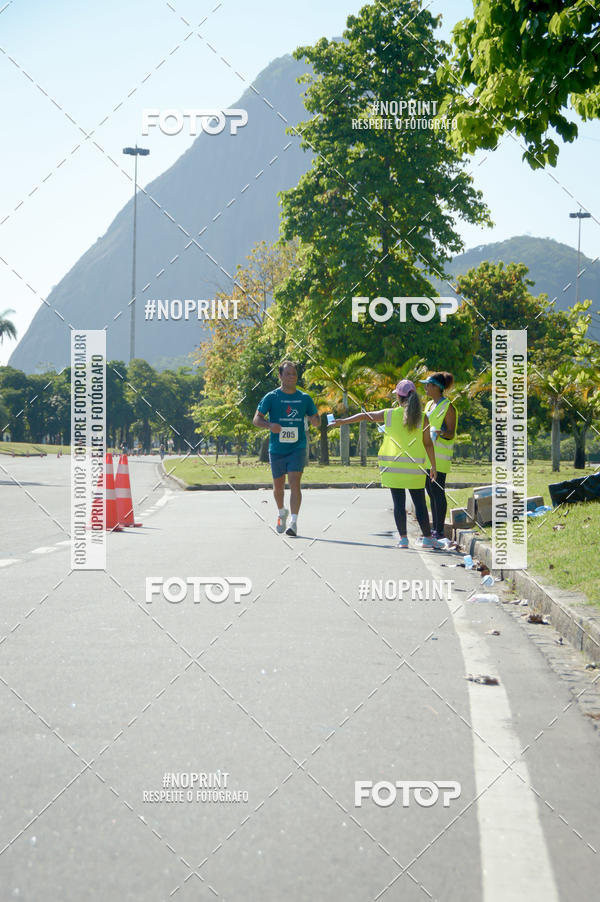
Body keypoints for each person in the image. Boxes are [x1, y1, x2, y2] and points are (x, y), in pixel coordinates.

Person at [329, 379, 439, 548]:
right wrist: (433, 466)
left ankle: (403, 539)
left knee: (398, 504)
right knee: (420, 504)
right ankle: (427, 538)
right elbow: (428, 444)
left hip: (393, 469)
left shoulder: (388, 414)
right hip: (415, 470)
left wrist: (342, 421)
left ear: (399, 398)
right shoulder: (423, 418)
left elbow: (365, 416)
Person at [253, 360, 320, 536]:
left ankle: (294, 522)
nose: (292, 377)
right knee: (278, 488)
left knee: (295, 482)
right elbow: (256, 419)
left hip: (297, 448)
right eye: (288, 374)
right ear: (280, 376)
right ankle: (282, 512)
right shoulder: (271, 397)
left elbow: (316, 419)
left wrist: (315, 420)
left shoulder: (304, 398)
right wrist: (269, 425)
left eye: (294, 374)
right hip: (276, 449)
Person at [420, 372, 457, 540]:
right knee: (430, 491)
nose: (425, 388)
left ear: (436, 387)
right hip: (427, 455)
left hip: (440, 457)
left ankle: (439, 530)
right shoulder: (428, 405)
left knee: (437, 490)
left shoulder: (448, 407)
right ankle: (434, 528)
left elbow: (451, 433)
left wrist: (440, 432)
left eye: (428, 385)